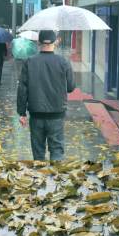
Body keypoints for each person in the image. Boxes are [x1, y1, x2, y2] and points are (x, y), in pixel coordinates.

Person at [17, 30, 76, 161]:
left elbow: (22, 89)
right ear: (55, 42)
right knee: (57, 150)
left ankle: (40, 178)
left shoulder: (29, 62)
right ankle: (55, 179)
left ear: (39, 42)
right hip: (57, 113)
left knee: (38, 152)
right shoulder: (63, 62)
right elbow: (71, 87)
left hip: (36, 114)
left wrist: (21, 113)